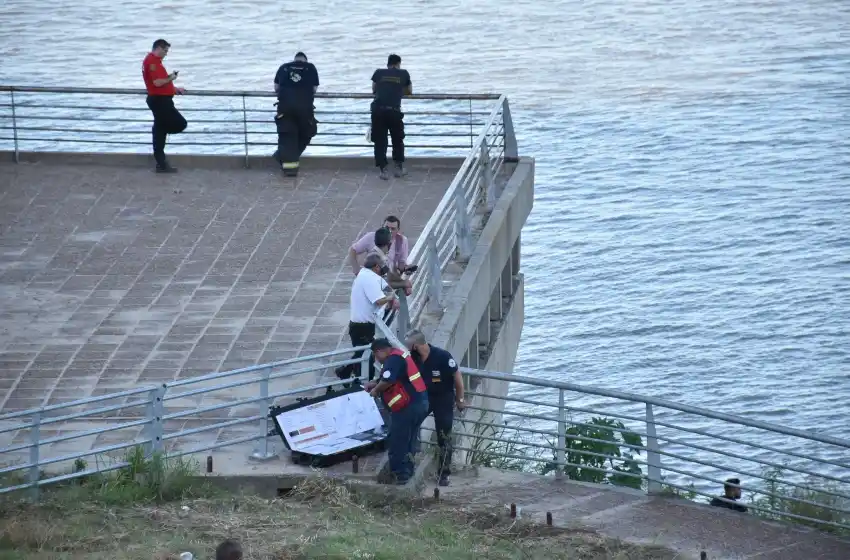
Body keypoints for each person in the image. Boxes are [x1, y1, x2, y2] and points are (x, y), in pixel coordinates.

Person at [406, 329, 465, 486]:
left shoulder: (442, 356)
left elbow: (457, 377)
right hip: (423, 398)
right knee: (410, 425)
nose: (407, 348)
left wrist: (460, 399)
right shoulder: (412, 359)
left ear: (416, 345)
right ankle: (409, 463)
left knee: (444, 436)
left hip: (443, 398)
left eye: (409, 345)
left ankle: (444, 473)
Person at [367, 338, 429, 484]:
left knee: (397, 440)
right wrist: (374, 383)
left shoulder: (393, 359)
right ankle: (408, 471)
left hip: (407, 407)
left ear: (380, 351)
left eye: (376, 356)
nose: (377, 360)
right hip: (419, 403)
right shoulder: (400, 356)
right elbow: (392, 377)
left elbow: (388, 380)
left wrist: (375, 390)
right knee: (409, 440)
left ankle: (399, 476)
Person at [335, 253, 398, 381]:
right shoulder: (369, 278)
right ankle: (354, 378)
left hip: (360, 324)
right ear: (376, 267)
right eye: (381, 267)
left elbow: (386, 286)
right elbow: (379, 300)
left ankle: (345, 373)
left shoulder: (366, 275)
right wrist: (391, 298)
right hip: (363, 326)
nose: (383, 270)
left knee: (363, 353)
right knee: (366, 355)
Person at [142, 39, 187, 173]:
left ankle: (161, 163)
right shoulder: (152, 62)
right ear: (159, 48)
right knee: (180, 123)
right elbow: (157, 83)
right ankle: (160, 129)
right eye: (165, 51)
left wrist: (174, 89)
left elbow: (162, 83)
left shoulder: (154, 62)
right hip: (160, 101)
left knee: (160, 130)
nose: (166, 54)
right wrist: (171, 78)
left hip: (161, 99)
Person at [273, 52, 320, 177]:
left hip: (285, 109)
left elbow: (276, 88)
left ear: (294, 60)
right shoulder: (310, 68)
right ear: (305, 60)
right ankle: (282, 157)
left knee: (287, 137)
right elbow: (314, 89)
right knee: (308, 132)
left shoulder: (283, 68)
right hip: (304, 109)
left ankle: (288, 168)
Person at [371, 54, 412, 180]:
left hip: (378, 111)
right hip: (394, 111)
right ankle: (398, 169)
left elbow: (374, 89)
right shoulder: (403, 73)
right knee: (397, 139)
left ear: (388, 64)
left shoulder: (378, 73)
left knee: (380, 141)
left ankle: (383, 170)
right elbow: (409, 91)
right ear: (398, 63)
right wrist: (397, 90)